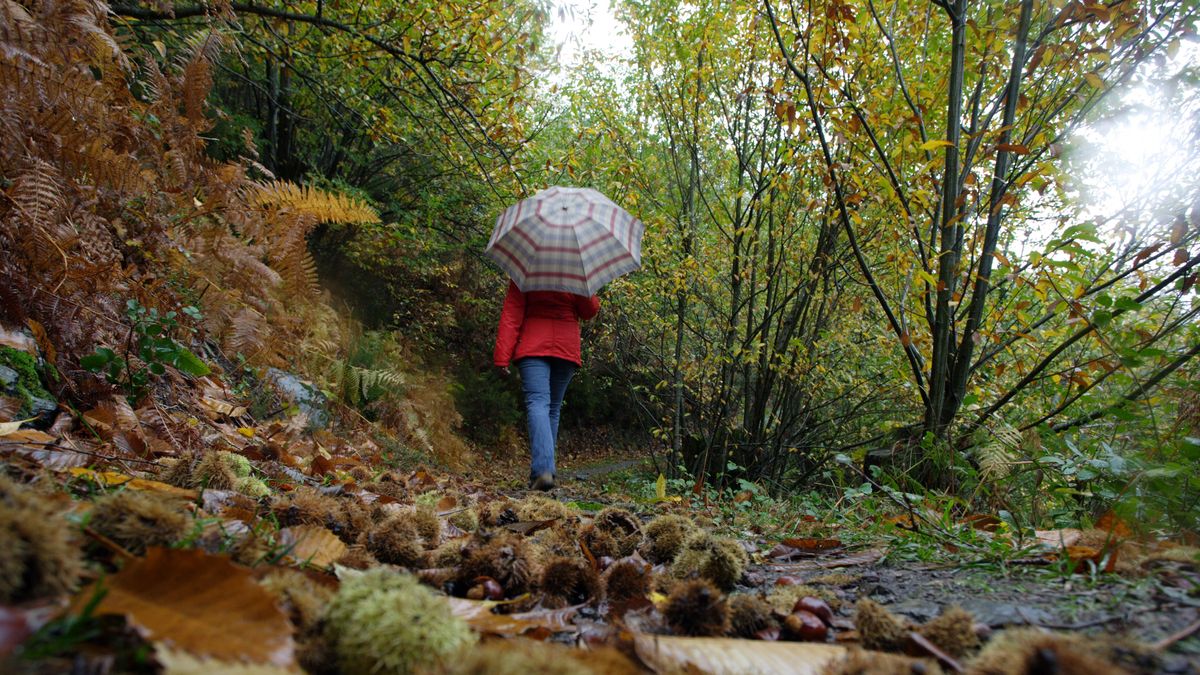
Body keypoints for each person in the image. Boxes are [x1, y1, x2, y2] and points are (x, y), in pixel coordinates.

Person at [494, 279, 600, 491]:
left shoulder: (526, 270)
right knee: (551, 408)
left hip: (533, 345)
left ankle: (543, 470)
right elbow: (589, 310)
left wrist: (501, 357)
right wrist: (586, 285)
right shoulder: (575, 272)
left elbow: (511, 315)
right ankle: (546, 471)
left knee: (537, 403)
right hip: (566, 347)